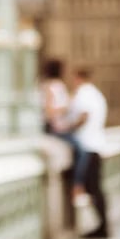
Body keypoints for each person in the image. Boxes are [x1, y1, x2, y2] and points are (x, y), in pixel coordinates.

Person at [67, 68, 109, 239]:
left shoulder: (84, 93)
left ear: (78, 77)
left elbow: (84, 115)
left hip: (88, 147)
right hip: (97, 145)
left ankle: (102, 227)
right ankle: (102, 225)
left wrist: (68, 127)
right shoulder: (97, 94)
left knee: (92, 189)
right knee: (96, 188)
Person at [40, 59, 87, 201]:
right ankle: (77, 185)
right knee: (82, 151)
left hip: (65, 126)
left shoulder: (58, 86)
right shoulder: (49, 86)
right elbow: (49, 112)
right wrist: (66, 107)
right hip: (57, 129)